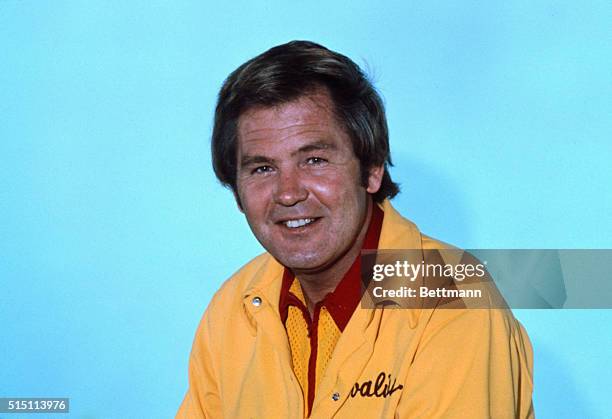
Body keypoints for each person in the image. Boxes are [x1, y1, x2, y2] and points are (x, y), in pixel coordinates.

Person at [176, 40, 534, 418]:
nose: (288, 193)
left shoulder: (453, 300)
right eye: (262, 168)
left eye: (315, 160)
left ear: (372, 168)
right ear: (236, 191)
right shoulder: (233, 307)